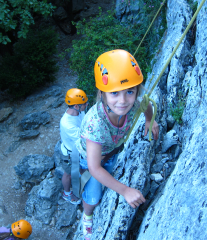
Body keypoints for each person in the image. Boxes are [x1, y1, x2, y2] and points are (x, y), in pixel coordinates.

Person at [75, 49, 159, 240]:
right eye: (114, 93)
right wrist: (125, 190)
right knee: (94, 195)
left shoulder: (133, 102)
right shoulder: (95, 123)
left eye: (129, 91)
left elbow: (145, 103)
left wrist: (150, 120)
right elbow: (94, 167)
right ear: (102, 93)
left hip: (111, 151)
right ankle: (87, 216)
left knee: (109, 177)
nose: (123, 101)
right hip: (90, 158)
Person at [60, 88, 88, 204]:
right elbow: (84, 140)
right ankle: (66, 193)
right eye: (84, 103)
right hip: (70, 153)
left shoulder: (80, 112)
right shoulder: (67, 123)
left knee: (80, 170)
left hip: (77, 150)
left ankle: (82, 180)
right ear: (76, 106)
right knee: (68, 174)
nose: (86, 105)